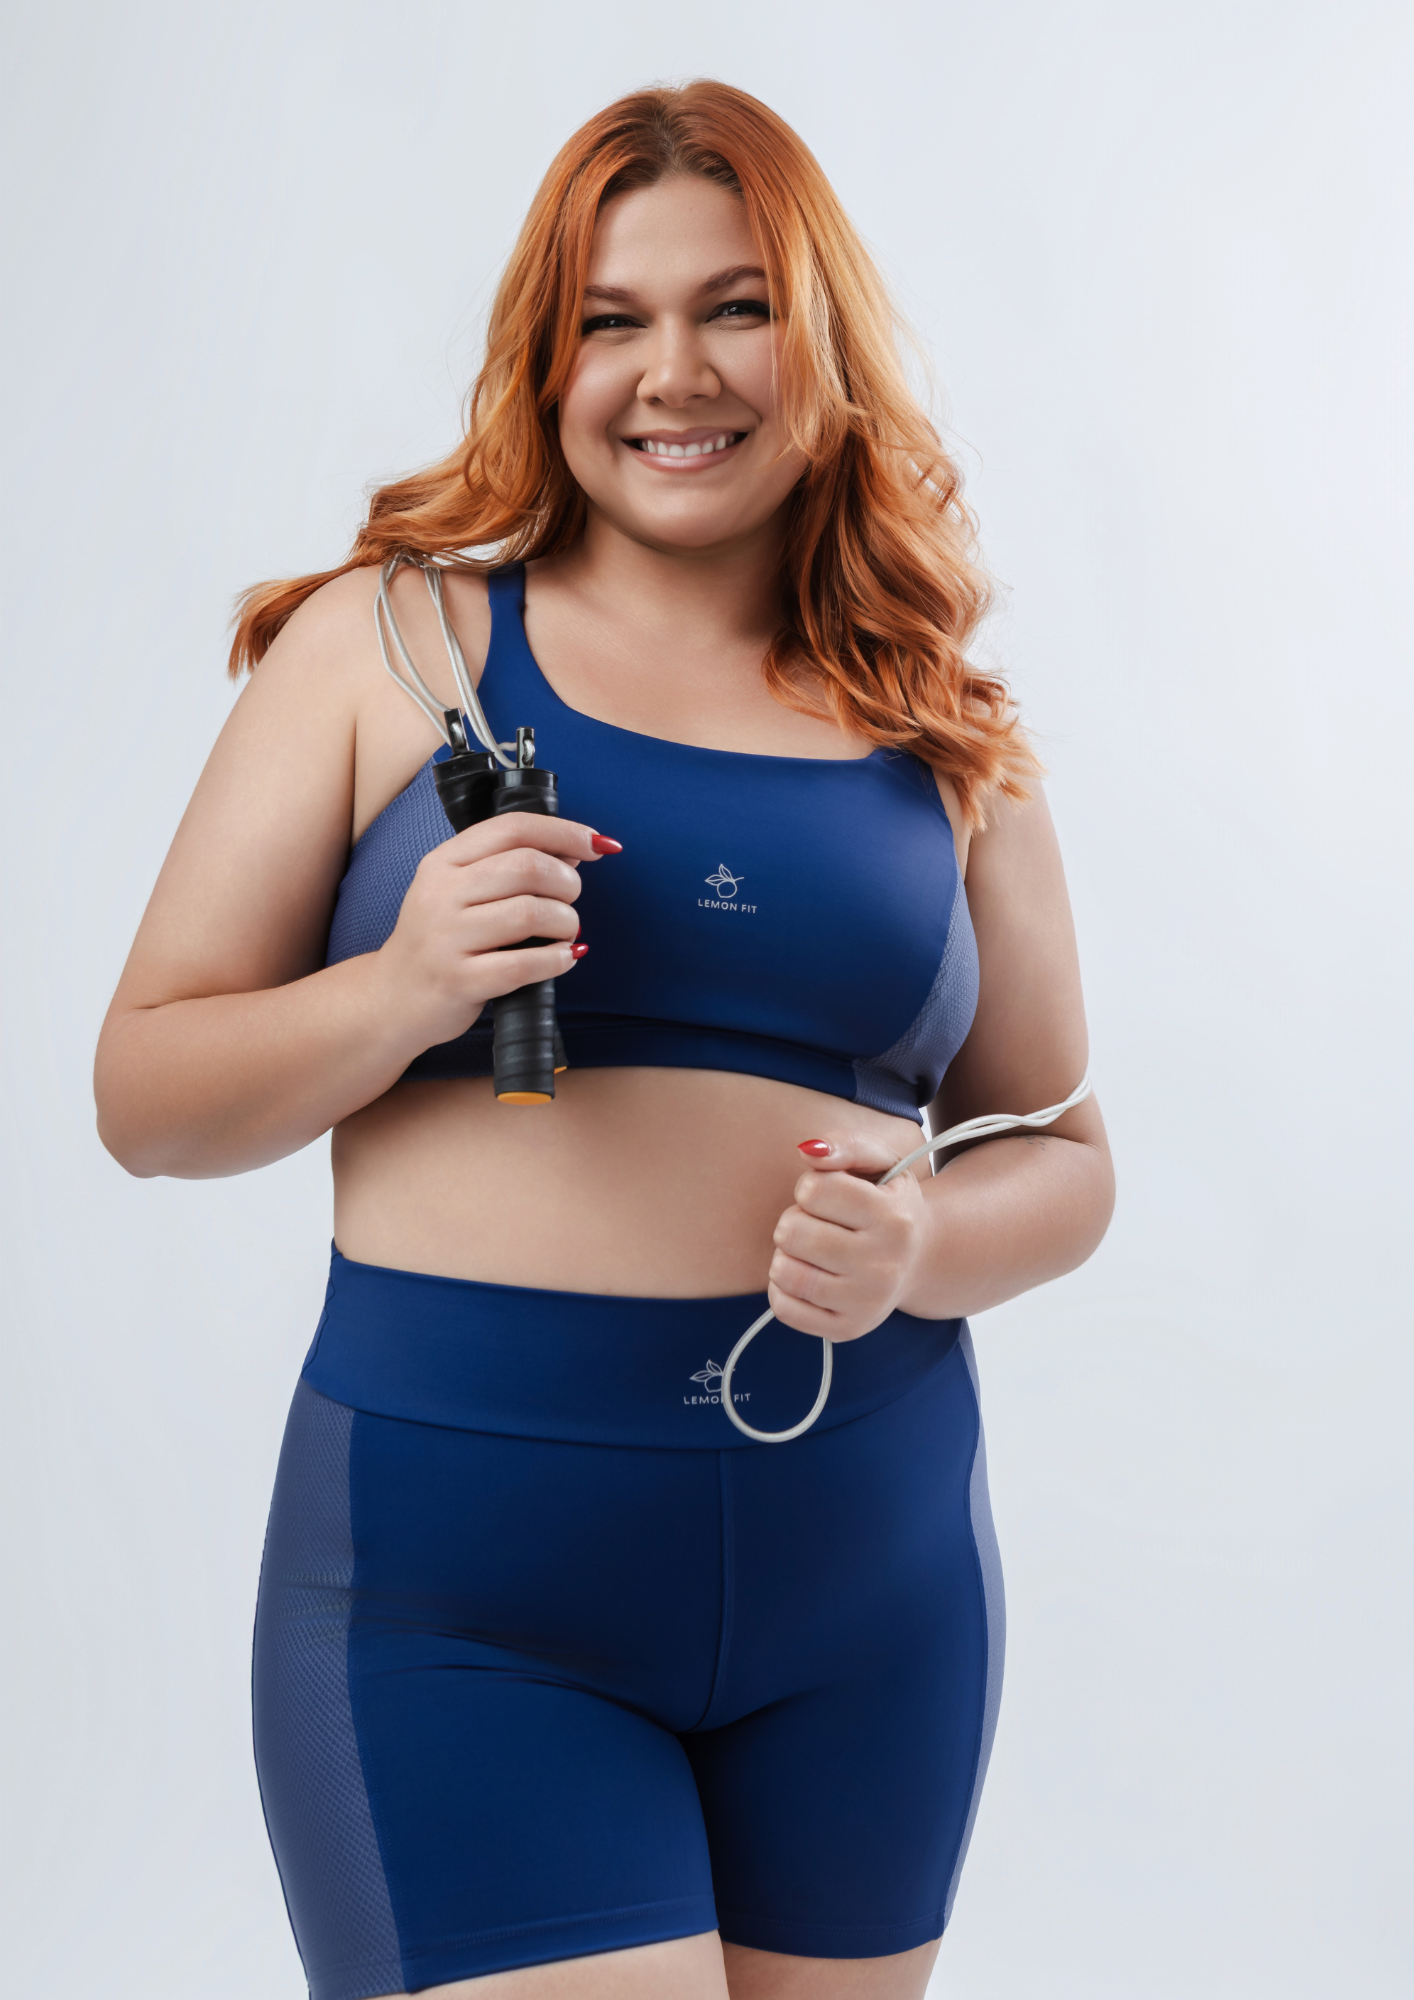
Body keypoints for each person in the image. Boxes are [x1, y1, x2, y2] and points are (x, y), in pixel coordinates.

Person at [95, 79, 1113, 2000]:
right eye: (611, 319)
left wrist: (921, 1241)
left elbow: (1061, 1156)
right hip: (462, 1599)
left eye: (736, 308)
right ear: (546, 359)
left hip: (869, 1587)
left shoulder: (945, 733)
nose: (675, 373)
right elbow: (143, 1099)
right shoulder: (392, 646)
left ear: (818, 343)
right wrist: (401, 988)